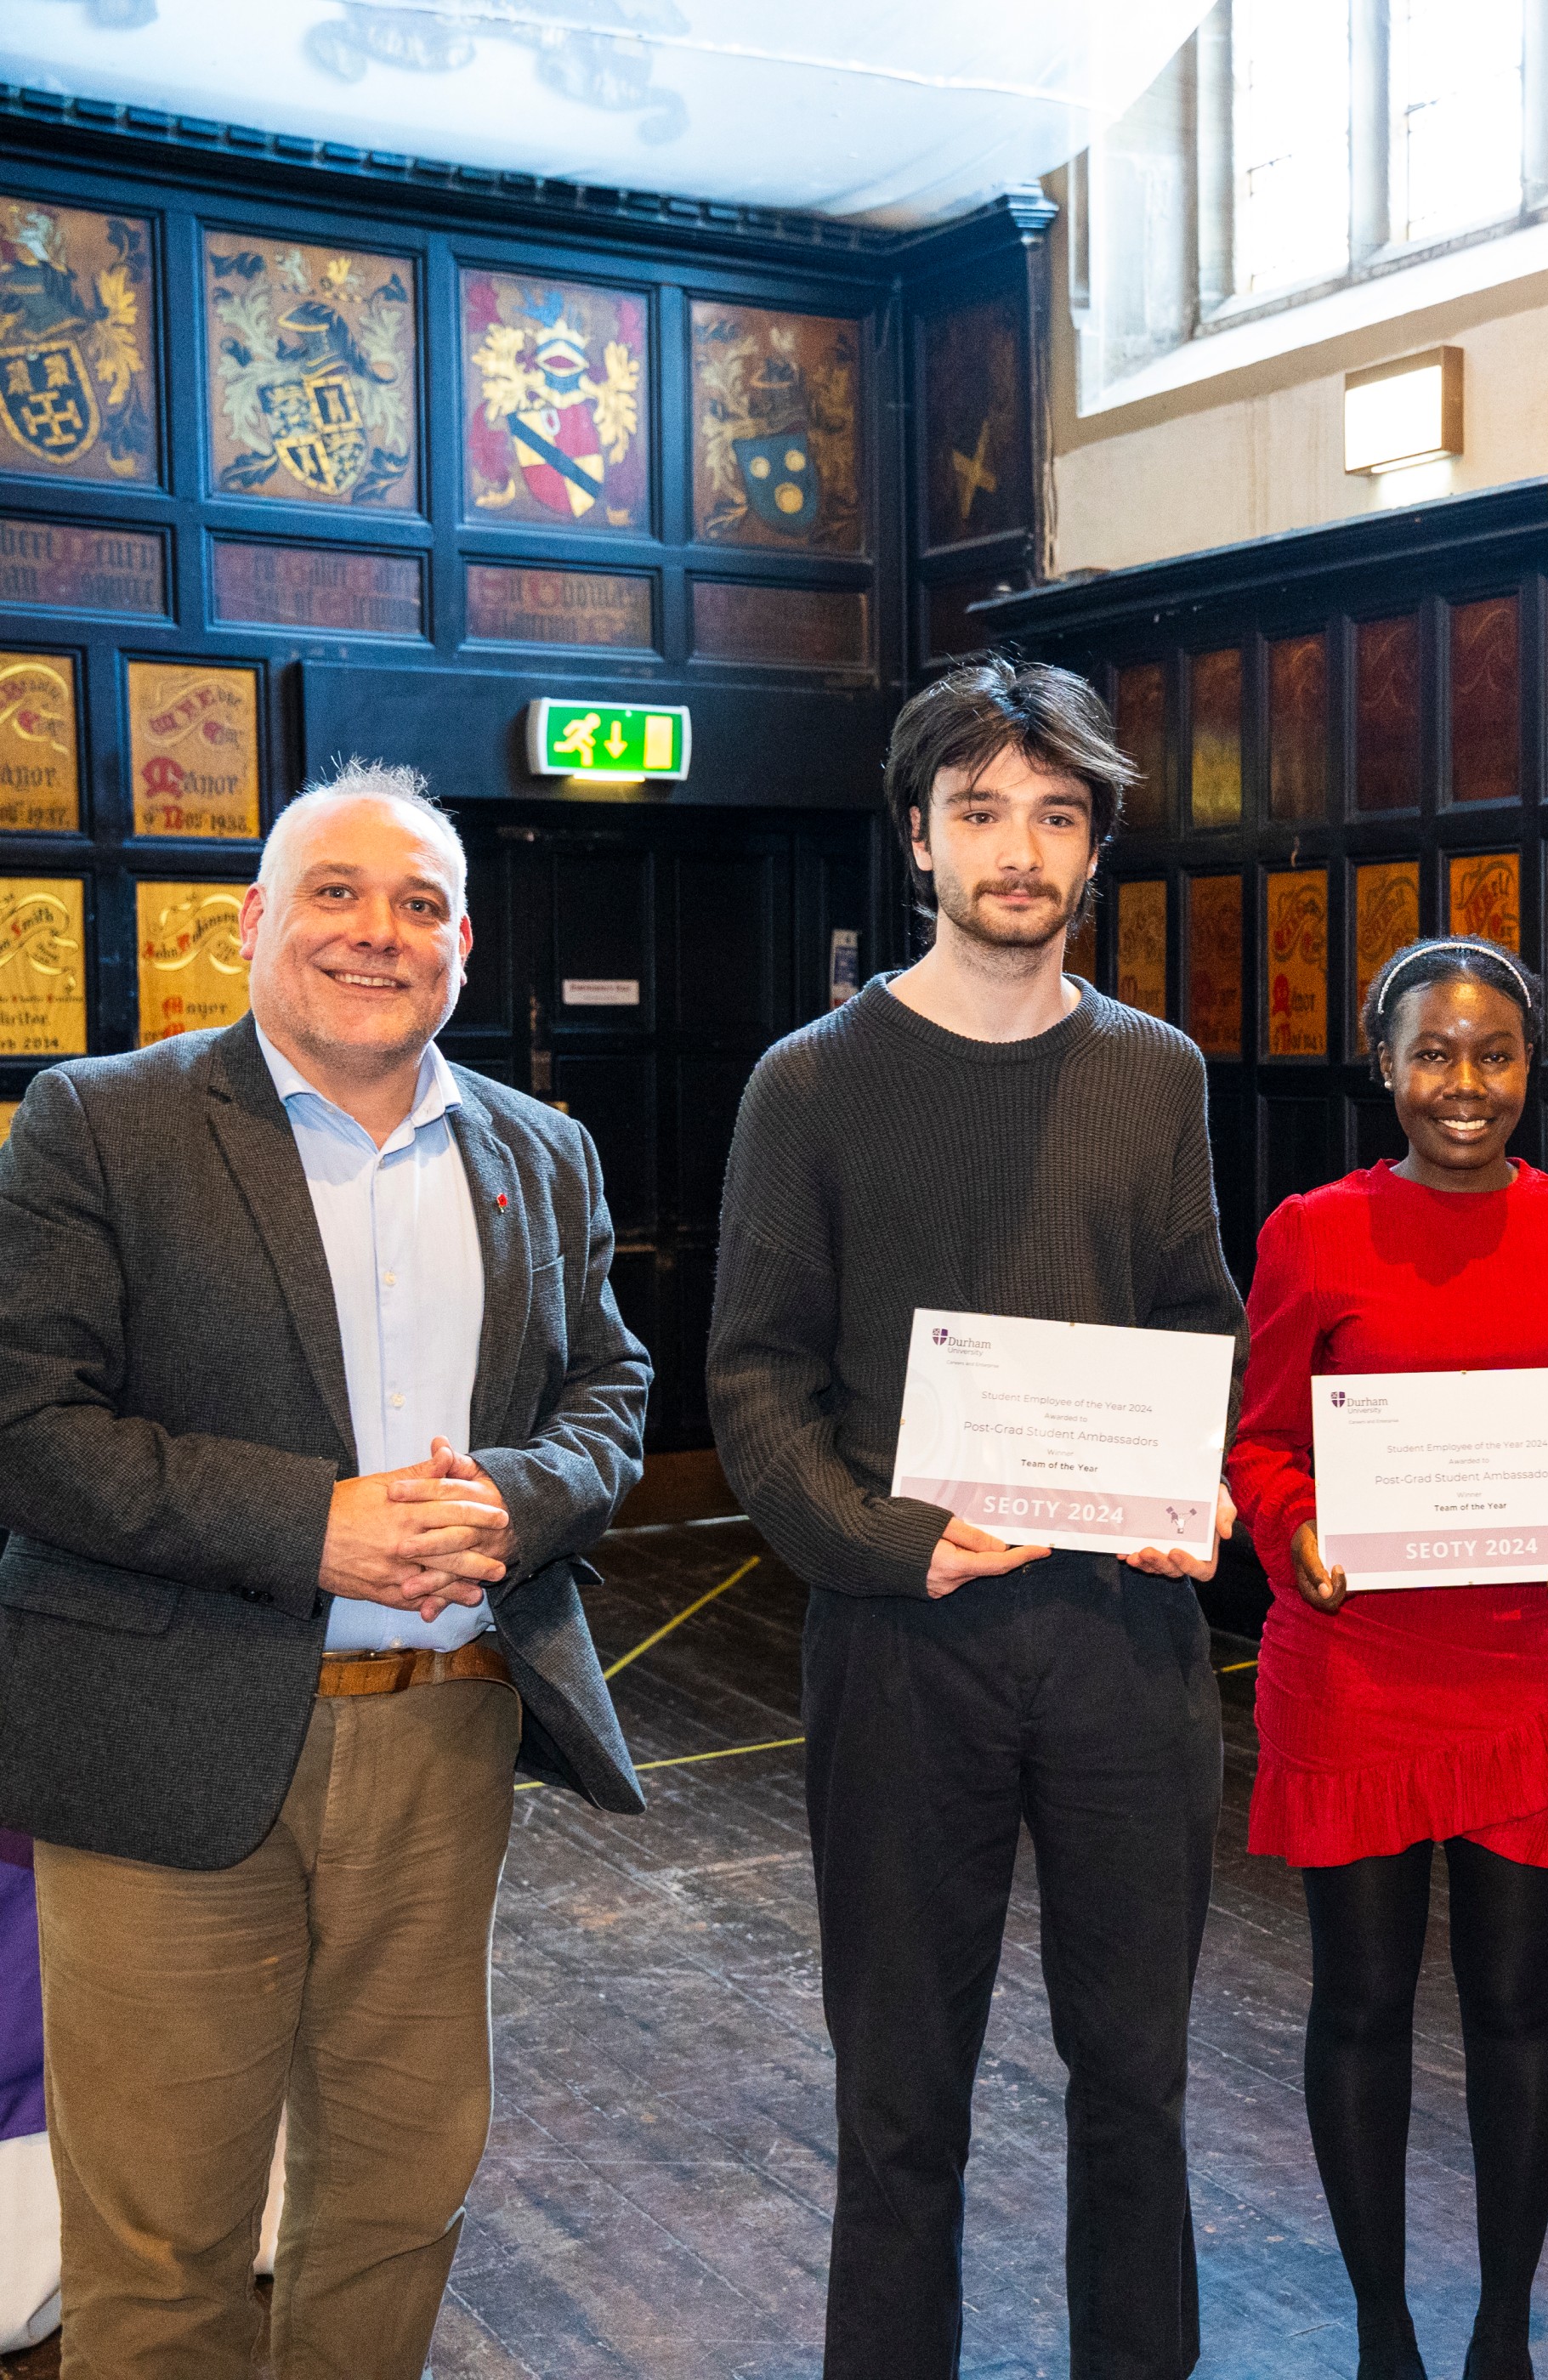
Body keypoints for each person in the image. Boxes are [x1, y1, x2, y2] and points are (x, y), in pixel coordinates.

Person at [0, 762, 649, 2377]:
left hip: (446, 1732)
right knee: (161, 2234)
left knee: (400, 2197)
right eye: (338, 896)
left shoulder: (539, 1148)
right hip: (170, 1738)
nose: (379, 933)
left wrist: (518, 1492)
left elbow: (612, 1392)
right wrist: (311, 1522)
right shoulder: (103, 1121)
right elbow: (29, 1426)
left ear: (464, 942)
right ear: (255, 927)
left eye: (420, 904)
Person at [708, 660, 1239, 2380]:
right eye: (984, 810)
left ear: (1095, 850)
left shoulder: (1158, 1073)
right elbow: (757, 1379)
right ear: (920, 841)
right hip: (902, 1636)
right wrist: (887, 1537)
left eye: (1059, 815)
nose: (1022, 847)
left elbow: (1192, 1315)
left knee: (1140, 2088)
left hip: (1122, 1639)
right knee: (900, 2098)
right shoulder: (809, 1080)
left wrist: (1192, 1475)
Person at [1225, 938, 1548, 2380]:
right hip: (1357, 1672)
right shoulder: (1311, 1229)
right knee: (1356, 2002)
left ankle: (1499, 2334)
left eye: (1492, 1054)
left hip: (1530, 1670)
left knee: (1520, 2000)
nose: (1463, 1085)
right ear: (1386, 1065)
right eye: (1434, 1053)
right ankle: (1380, 2335)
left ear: (1531, 1067)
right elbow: (1265, 1439)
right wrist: (1293, 1529)